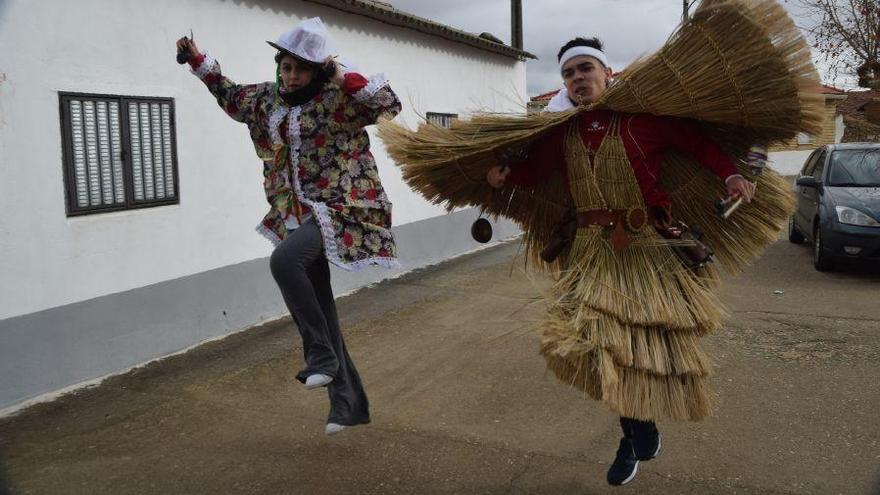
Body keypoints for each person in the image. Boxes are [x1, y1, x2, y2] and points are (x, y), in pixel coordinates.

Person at [485, 37, 754, 486]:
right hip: (589, 249)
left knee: (638, 349)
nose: (577, 79)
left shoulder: (641, 122)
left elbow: (697, 144)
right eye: (569, 73)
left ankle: (632, 437)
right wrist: (505, 176)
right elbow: (539, 172)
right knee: (592, 345)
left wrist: (731, 173)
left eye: (585, 69)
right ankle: (637, 429)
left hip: (643, 249)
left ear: (607, 74)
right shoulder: (563, 131)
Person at [176, 17, 402, 436]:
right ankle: (347, 404)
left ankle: (320, 356)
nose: (292, 76)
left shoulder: (339, 97)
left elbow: (387, 104)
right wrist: (197, 61)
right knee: (323, 307)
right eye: (286, 67)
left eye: (301, 68)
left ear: (318, 69)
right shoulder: (267, 100)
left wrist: (339, 73)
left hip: (341, 206)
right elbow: (229, 95)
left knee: (284, 262)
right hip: (296, 212)